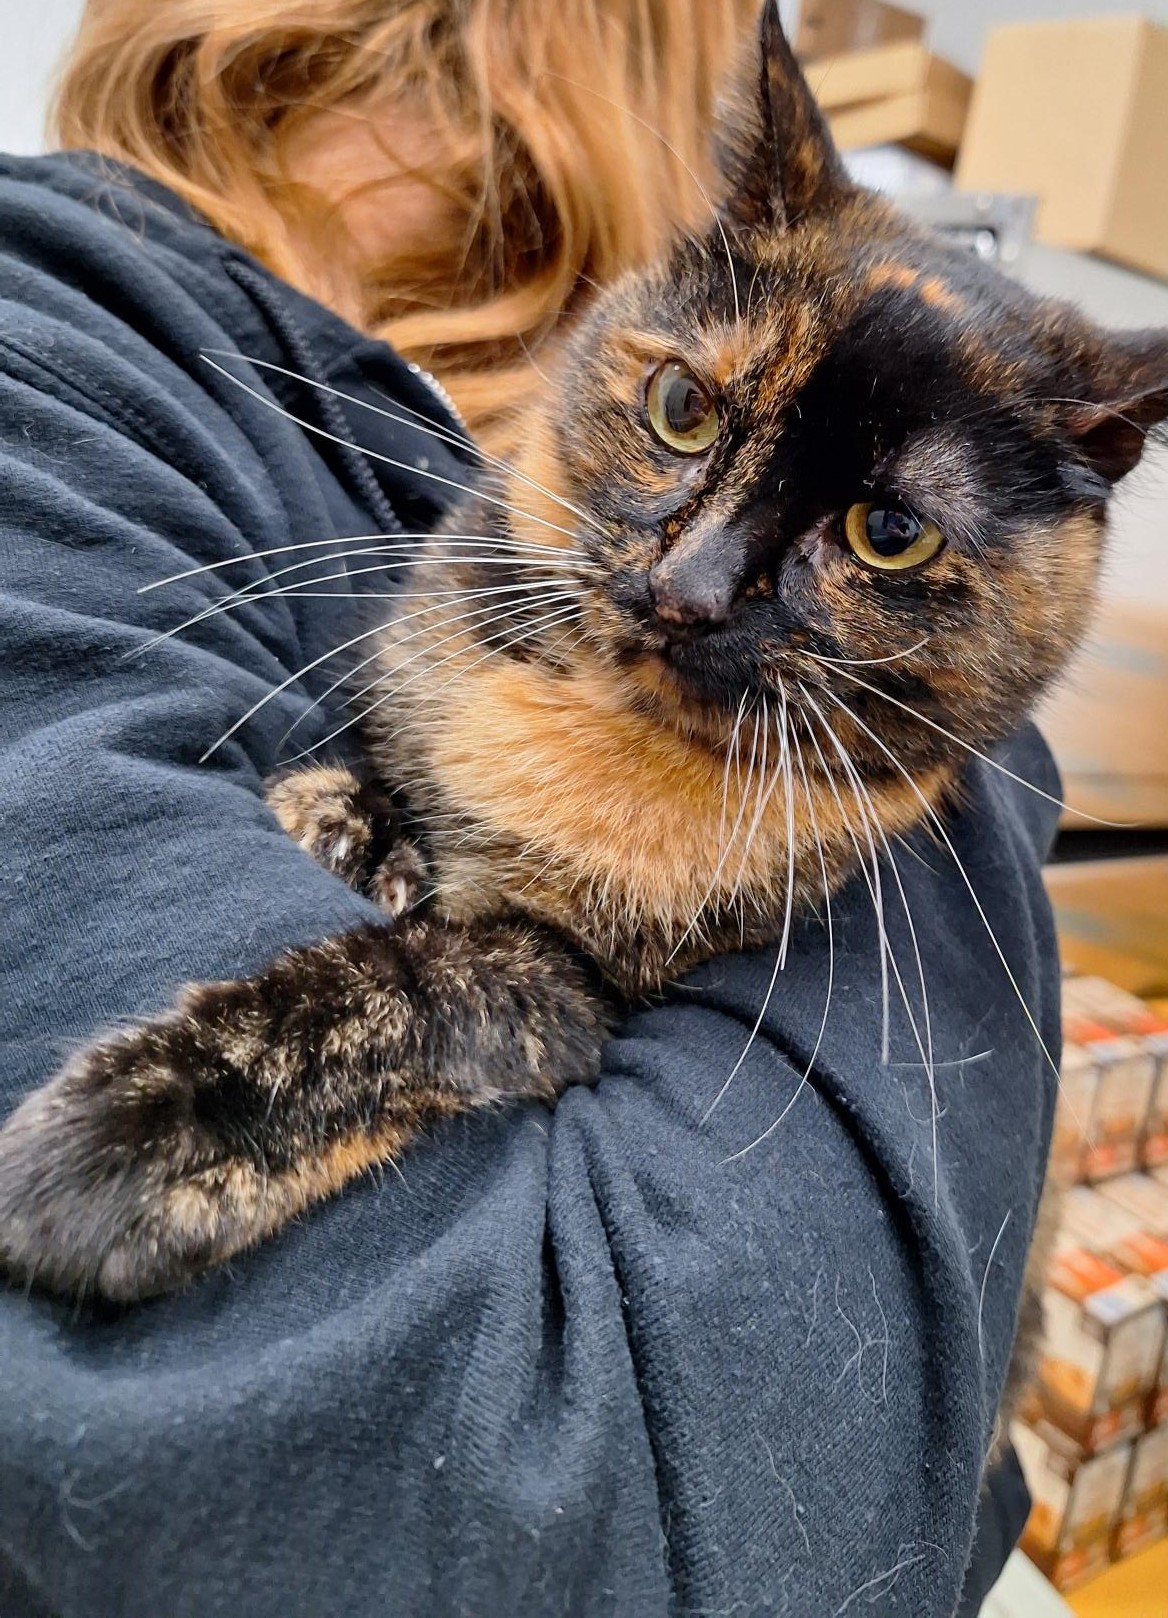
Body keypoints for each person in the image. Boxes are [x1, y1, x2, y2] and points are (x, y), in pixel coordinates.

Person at [0, 3, 1060, 1613]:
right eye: (681, 416)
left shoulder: (581, 413)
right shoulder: (70, 341)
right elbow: (647, 1491)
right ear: (637, 88)